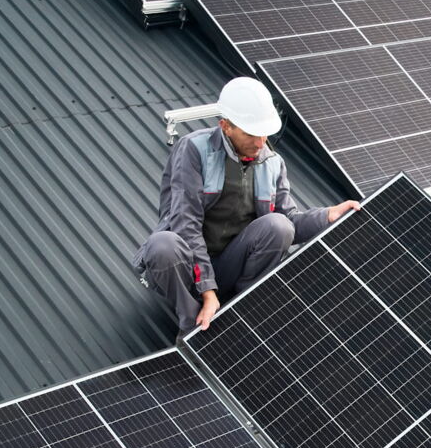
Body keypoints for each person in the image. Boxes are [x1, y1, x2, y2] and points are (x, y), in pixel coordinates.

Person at [134, 77, 359, 333]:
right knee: (162, 245)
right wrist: (207, 291)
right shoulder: (194, 150)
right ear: (226, 126)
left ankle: (242, 310)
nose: (260, 141)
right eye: (251, 133)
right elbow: (186, 224)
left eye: (264, 133)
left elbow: (290, 222)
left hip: (229, 264)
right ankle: (192, 327)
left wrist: (328, 216)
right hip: (185, 268)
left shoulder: (272, 163)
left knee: (279, 226)